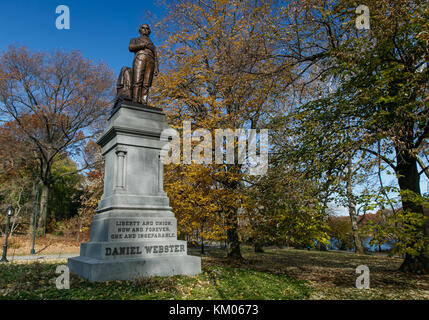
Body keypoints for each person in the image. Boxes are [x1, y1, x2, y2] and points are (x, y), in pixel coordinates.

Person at [128, 24, 159, 104]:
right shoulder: (135, 39)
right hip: (140, 58)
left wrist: (156, 67)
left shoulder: (152, 45)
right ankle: (135, 100)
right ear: (140, 30)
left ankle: (144, 101)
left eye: (147, 28)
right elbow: (131, 47)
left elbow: (155, 56)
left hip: (151, 61)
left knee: (147, 83)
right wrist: (143, 45)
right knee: (137, 80)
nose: (145, 29)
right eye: (143, 28)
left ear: (149, 31)